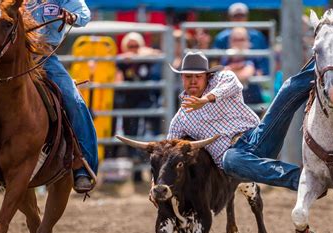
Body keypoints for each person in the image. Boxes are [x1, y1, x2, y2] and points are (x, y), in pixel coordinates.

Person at [168, 51, 312, 190]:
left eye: (198, 76)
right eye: (188, 77)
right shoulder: (180, 119)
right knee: (229, 160)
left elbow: (232, 85)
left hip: (258, 137)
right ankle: (305, 180)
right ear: (182, 78)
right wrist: (157, 183)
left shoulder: (222, 78)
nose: (193, 81)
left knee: (288, 88)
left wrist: (205, 99)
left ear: (207, 76)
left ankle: (323, 66)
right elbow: (168, 154)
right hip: (234, 157)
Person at [26, 0, 97, 193]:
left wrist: (73, 17)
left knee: (74, 101)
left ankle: (83, 167)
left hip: (45, 57)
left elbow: (83, 12)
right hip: (8, 53)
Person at [113, 32, 162, 181]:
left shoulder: (146, 57)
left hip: (146, 101)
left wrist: (140, 54)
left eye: (136, 46)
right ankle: (137, 176)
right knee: (132, 138)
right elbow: (116, 71)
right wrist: (127, 57)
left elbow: (159, 53)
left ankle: (154, 173)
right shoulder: (122, 61)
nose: (133, 49)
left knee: (150, 138)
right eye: (130, 46)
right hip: (129, 103)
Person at [213, 2, 269, 75]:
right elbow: (216, 62)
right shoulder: (221, 37)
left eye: (242, 15)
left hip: (251, 79)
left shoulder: (257, 36)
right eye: (236, 16)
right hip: (228, 78)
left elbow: (263, 63)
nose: (239, 19)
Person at [221, 27, 263, 104]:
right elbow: (223, 74)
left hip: (253, 103)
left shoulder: (252, 55)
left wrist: (231, 69)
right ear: (230, 42)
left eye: (241, 39)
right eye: (235, 40)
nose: (238, 43)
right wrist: (240, 68)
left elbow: (245, 75)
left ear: (247, 41)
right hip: (233, 104)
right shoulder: (227, 57)